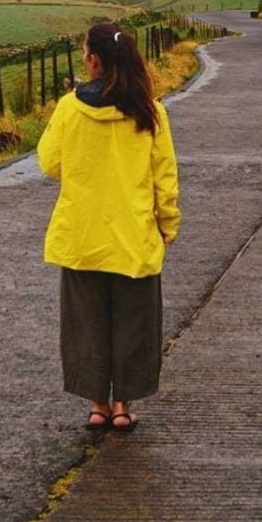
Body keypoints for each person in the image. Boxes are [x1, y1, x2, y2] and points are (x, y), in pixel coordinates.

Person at [37, 22, 180, 432]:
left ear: (94, 61)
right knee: (134, 325)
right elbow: (164, 177)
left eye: (85, 53)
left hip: (82, 236)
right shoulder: (150, 111)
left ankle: (97, 405)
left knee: (87, 324)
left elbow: (49, 163)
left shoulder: (69, 107)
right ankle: (122, 407)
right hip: (133, 236)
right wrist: (167, 223)